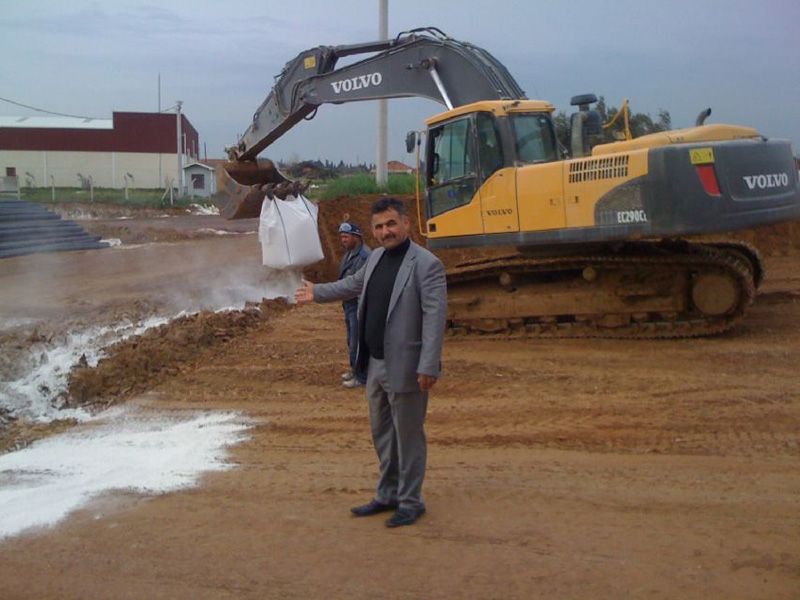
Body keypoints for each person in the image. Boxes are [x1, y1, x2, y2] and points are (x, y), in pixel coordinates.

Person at [295, 198, 447, 528]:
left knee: (408, 437)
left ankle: (410, 502)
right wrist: (317, 292)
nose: (385, 231)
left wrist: (429, 365)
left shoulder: (427, 264)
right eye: (379, 227)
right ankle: (388, 494)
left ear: (406, 223)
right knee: (382, 434)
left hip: (407, 366)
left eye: (391, 224)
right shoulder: (376, 257)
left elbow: (435, 318)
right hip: (375, 363)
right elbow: (352, 285)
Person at [337, 221, 371, 388]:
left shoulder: (364, 257)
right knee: (351, 340)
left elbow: (362, 284)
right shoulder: (349, 254)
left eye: (346, 237)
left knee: (357, 342)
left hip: (358, 304)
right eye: (342, 237)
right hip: (349, 303)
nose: (343, 240)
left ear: (356, 237)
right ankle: (355, 369)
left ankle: (361, 376)